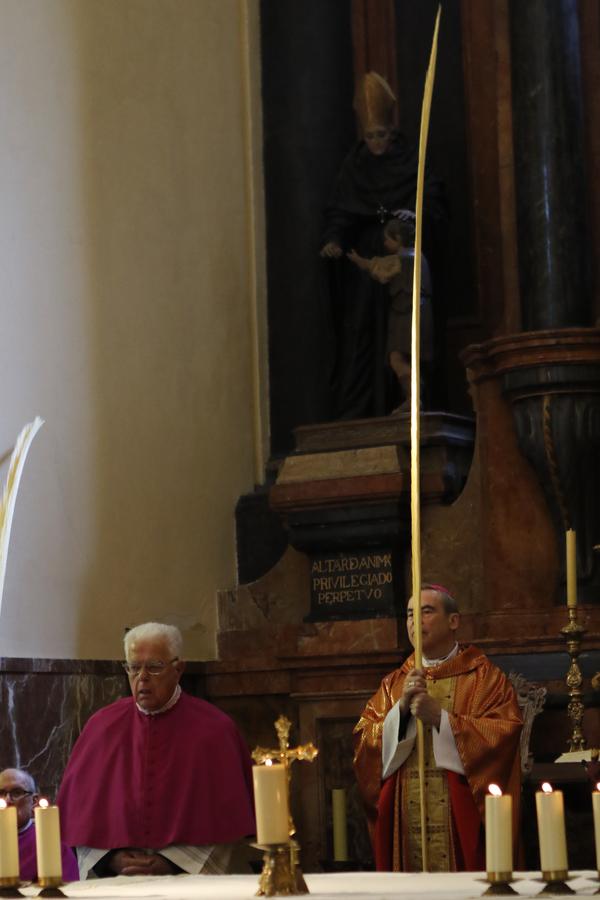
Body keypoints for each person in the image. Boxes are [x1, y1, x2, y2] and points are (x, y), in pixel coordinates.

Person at [57, 622, 255, 879]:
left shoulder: (215, 730)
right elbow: (79, 819)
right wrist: (110, 859)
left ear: (178, 669)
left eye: (154, 667)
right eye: (134, 667)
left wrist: (172, 863)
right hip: (116, 881)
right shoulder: (100, 728)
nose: (142, 677)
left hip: (192, 881)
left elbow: (228, 824)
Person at [353, 585, 522, 872]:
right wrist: (400, 713)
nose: (414, 621)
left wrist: (442, 720)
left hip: (460, 817)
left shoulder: (486, 679)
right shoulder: (393, 684)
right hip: (406, 821)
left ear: (453, 621)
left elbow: (502, 735)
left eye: (426, 612)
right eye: (409, 614)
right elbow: (363, 742)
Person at [319, 71, 446, 419]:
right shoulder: (355, 165)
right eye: (370, 136)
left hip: (404, 263)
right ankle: (361, 409)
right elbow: (340, 209)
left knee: (403, 338)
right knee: (364, 332)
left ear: (392, 132)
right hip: (366, 268)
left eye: (381, 135)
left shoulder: (411, 161)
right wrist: (334, 238)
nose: (375, 143)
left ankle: (409, 399)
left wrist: (415, 215)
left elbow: (434, 201)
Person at [347, 216, 433, 412]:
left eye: (387, 239)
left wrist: (359, 260)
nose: (385, 244)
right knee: (402, 358)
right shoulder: (418, 256)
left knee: (396, 358)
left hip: (407, 312)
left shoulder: (406, 258)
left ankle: (414, 396)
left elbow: (379, 268)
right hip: (411, 310)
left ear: (398, 238)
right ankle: (413, 397)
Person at [0, 768, 79, 882]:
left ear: (34, 801)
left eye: (16, 792)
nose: (7, 800)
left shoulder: (54, 849)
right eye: (1, 793)